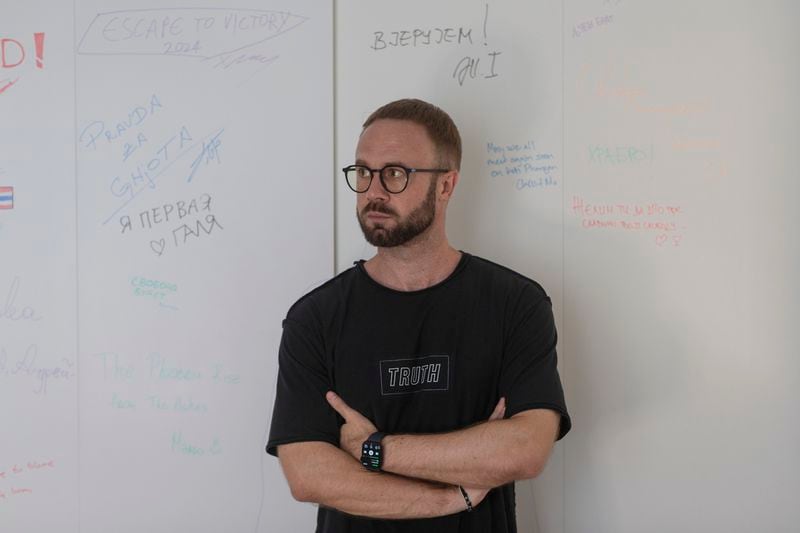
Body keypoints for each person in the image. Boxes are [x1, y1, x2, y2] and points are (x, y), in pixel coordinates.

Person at [267, 98, 570, 532]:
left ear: (445, 186)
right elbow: (307, 474)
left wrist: (375, 450)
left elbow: (526, 448)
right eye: (364, 172)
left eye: (395, 174)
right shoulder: (314, 318)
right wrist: (451, 498)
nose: (373, 191)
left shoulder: (515, 303)